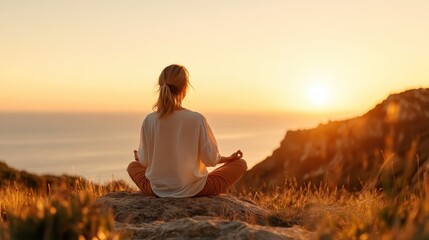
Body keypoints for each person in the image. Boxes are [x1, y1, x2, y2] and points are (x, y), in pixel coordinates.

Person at [127, 64, 247, 198]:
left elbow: (145, 162)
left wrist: (139, 157)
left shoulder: (149, 120)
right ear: (184, 88)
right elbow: (210, 159)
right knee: (241, 163)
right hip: (195, 191)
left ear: (160, 86)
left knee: (132, 166)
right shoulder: (196, 119)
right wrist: (229, 159)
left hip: (156, 191)